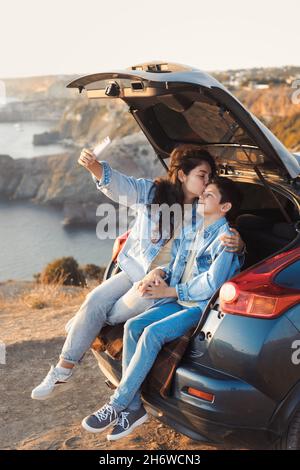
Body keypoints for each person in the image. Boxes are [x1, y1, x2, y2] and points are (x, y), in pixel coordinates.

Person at [31, 145, 244, 401]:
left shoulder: (203, 211)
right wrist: (94, 167)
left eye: (210, 177)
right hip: (135, 269)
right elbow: (124, 187)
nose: (207, 182)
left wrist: (240, 244)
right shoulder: (154, 192)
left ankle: (86, 322)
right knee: (94, 300)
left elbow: (224, 238)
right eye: (202, 175)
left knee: (115, 312)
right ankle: (62, 370)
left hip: (163, 281)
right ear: (182, 175)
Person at [81, 177, 243, 441]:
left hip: (199, 307)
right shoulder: (192, 228)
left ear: (225, 207)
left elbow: (211, 284)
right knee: (134, 326)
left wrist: (170, 291)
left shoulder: (225, 240)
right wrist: (157, 273)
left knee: (152, 333)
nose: (202, 196)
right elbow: (176, 262)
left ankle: (118, 403)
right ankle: (134, 409)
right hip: (177, 298)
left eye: (209, 195)